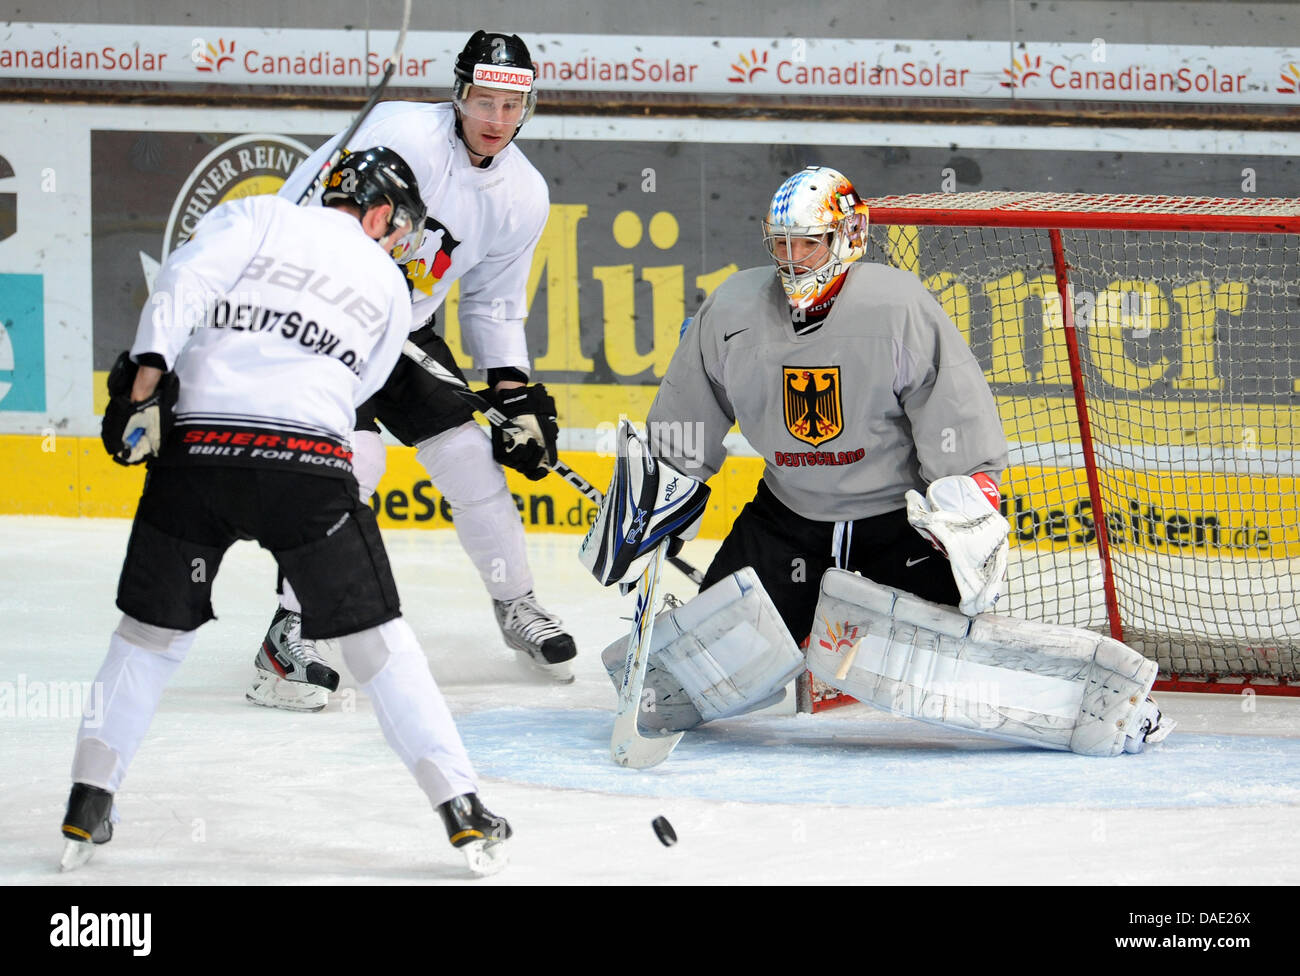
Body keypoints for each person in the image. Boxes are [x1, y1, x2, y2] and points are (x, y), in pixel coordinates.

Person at [579, 165, 1172, 757]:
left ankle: (1116, 706)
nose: (793, 258)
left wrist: (963, 512)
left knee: (942, 665)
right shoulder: (732, 309)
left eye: (809, 242)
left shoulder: (897, 306)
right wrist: (654, 499)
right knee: (691, 671)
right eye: (781, 243)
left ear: (847, 238)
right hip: (787, 523)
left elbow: (953, 414)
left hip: (894, 528)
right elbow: (690, 411)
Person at [61, 148, 512, 877]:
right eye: (397, 226)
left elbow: (185, 280)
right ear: (374, 213)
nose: (399, 241)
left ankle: (88, 801)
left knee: (146, 638)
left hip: (197, 454)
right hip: (307, 469)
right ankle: (460, 805)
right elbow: (358, 386)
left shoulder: (256, 213)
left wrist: (144, 380)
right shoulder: (388, 286)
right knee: (378, 647)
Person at [248, 29, 574, 713]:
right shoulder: (400, 132)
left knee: (471, 461)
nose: (496, 120)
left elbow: (493, 301)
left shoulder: (525, 193)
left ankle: (516, 604)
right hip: (329, 318)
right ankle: (289, 633)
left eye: (512, 106)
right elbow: (300, 208)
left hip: (407, 329)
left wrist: (514, 395)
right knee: (354, 464)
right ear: (459, 94)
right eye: (484, 101)